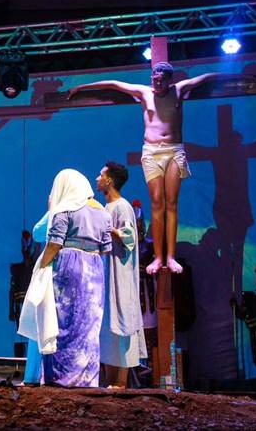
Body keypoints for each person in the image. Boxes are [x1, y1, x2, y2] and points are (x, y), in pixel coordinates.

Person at [69, 64, 228, 275]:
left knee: (171, 203)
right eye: (154, 78)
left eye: (161, 79)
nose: (157, 83)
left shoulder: (179, 90)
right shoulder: (144, 92)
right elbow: (113, 84)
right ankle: (158, 257)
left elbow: (206, 77)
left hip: (173, 150)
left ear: (169, 80)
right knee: (157, 203)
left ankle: (170, 257)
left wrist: (235, 74)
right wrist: (81, 87)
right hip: (152, 152)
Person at [38, 169, 112, 387]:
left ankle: (61, 377)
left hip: (68, 264)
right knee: (89, 323)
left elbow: (54, 243)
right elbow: (106, 248)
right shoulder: (103, 212)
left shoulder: (66, 209)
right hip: (95, 268)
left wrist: (42, 266)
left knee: (63, 320)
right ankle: (87, 378)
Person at [96, 161, 148, 388]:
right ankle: (109, 379)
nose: (97, 179)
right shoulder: (105, 207)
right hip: (106, 273)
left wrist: (108, 229)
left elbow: (129, 237)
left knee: (122, 319)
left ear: (109, 180)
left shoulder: (122, 206)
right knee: (107, 325)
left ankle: (121, 381)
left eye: (100, 175)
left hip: (120, 273)